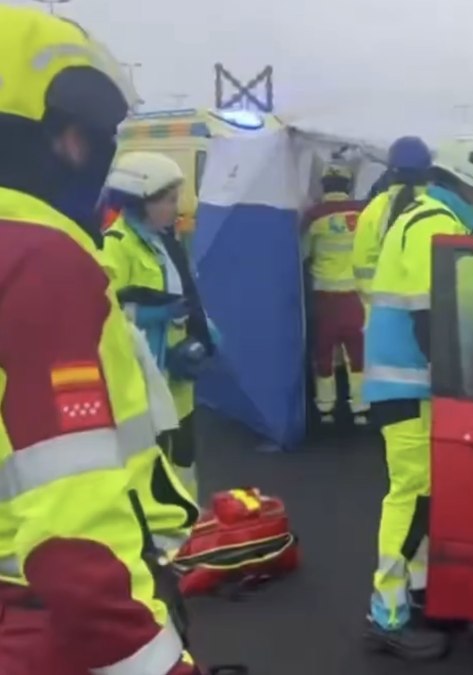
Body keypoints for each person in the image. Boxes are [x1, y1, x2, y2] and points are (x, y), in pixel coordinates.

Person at [0, 7, 207, 674]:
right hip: (47, 626)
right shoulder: (41, 260)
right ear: (66, 140)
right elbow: (73, 536)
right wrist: (156, 663)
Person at [362, 135, 473, 658]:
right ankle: (386, 613)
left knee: (425, 495)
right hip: (408, 384)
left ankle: (421, 597)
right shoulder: (434, 224)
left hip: (408, 382)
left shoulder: (433, 219)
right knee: (410, 494)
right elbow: (435, 319)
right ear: (471, 184)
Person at [100, 151, 221, 500]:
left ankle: (188, 527)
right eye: (168, 201)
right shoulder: (116, 246)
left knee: (184, 459)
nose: (175, 208)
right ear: (141, 201)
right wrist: (154, 315)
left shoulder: (165, 243)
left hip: (178, 377)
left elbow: (183, 292)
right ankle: (158, 538)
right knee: (150, 466)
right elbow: (105, 313)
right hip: (142, 378)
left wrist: (203, 326)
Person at [301, 164, 368, 425]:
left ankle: (325, 407)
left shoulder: (314, 216)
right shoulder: (362, 213)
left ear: (324, 187)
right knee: (357, 353)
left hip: (325, 296)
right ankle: (360, 407)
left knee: (324, 353)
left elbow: (304, 253)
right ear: (348, 187)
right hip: (355, 295)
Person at [352, 136, 433, 313]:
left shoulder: (372, 210)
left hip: (379, 323)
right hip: (426, 323)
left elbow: (360, 266)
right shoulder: (437, 209)